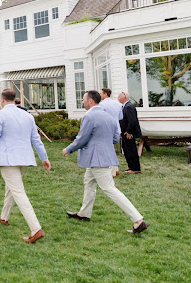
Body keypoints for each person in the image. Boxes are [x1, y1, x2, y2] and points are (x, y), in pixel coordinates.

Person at [63, 91, 148, 234]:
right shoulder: (110, 116)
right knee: (88, 182)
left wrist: (68, 149)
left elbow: (82, 138)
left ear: (90, 101)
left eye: (83, 100)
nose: (82, 102)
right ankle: (84, 213)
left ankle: (138, 220)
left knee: (109, 189)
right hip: (103, 156)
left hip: (97, 158)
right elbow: (115, 138)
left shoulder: (89, 116)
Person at [0, 89, 51, 244]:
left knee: (18, 191)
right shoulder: (27, 116)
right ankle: (4, 216)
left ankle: (35, 229)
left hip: (9, 158)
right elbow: (36, 139)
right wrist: (44, 158)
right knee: (12, 188)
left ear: (2, 100)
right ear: (14, 99)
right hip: (24, 158)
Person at [99, 88, 123, 177]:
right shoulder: (118, 104)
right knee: (111, 148)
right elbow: (121, 117)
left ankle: (111, 170)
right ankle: (115, 169)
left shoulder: (102, 105)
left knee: (108, 149)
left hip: (106, 129)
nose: (100, 95)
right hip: (116, 128)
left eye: (101, 93)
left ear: (105, 94)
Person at [118, 92, 142, 174]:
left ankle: (135, 168)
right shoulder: (125, 106)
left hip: (129, 133)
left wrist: (128, 131)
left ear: (124, 97)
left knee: (131, 150)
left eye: (119, 96)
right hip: (124, 132)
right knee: (126, 149)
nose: (118, 98)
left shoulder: (129, 107)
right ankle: (131, 166)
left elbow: (132, 121)